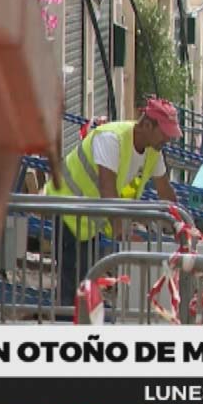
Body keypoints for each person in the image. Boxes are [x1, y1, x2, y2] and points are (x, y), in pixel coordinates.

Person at [46, 97, 182, 305]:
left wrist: (183, 225)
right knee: (73, 285)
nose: (168, 139)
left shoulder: (154, 152)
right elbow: (107, 189)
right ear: (146, 124)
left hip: (89, 218)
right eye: (164, 133)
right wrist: (122, 234)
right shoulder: (111, 138)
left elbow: (165, 191)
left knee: (86, 282)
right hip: (65, 207)